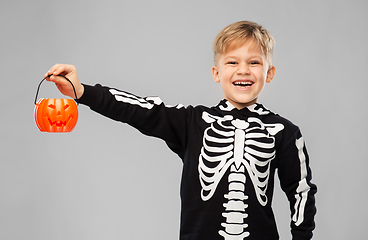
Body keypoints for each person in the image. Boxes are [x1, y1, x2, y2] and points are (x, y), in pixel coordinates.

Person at [44, 20, 317, 240]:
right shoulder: (192, 122)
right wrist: (82, 92)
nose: (243, 71)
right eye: (232, 62)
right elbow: (140, 109)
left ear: (269, 73)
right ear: (216, 72)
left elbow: (301, 190)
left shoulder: (284, 131)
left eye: (254, 62)